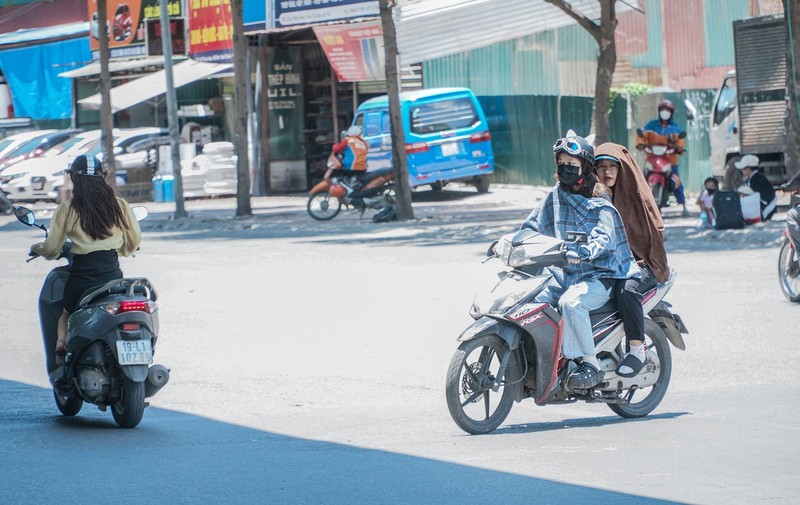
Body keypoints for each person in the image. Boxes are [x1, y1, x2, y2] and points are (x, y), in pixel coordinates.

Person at [522, 132, 640, 389]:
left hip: (602, 274)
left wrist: (584, 251)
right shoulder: (555, 196)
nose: (565, 169)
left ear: (585, 167)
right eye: (561, 164)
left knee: (571, 303)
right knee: (530, 301)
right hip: (566, 272)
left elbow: (603, 236)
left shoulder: (599, 198)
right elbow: (531, 224)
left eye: (572, 164)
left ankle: (589, 364)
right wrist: (509, 242)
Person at [30, 154, 141, 365]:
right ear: (103, 177)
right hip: (112, 276)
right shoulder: (120, 206)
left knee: (66, 313)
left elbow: (53, 248)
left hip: (82, 277)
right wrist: (124, 250)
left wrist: (38, 248)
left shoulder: (66, 210)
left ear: (74, 179)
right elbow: (134, 240)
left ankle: (62, 345)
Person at [594, 143, 670, 377]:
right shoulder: (594, 197)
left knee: (626, 290)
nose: (606, 172)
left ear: (622, 170)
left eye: (612, 167)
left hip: (642, 263)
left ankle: (637, 349)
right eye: (601, 167)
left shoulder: (636, 200)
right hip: (604, 265)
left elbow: (650, 238)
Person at [638, 100, 689, 216]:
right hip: (652, 158)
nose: (665, 112)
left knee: (676, 181)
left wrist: (680, 147)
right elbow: (642, 136)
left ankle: (683, 204)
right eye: (663, 110)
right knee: (641, 179)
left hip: (669, 161)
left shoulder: (675, 128)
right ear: (659, 111)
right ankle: (639, 203)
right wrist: (641, 143)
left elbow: (681, 141)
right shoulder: (651, 126)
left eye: (667, 110)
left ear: (671, 113)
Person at [735, 154, 777, 221]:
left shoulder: (757, 178)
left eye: (743, 168)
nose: (741, 170)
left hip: (767, 208)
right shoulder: (751, 178)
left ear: (748, 168)